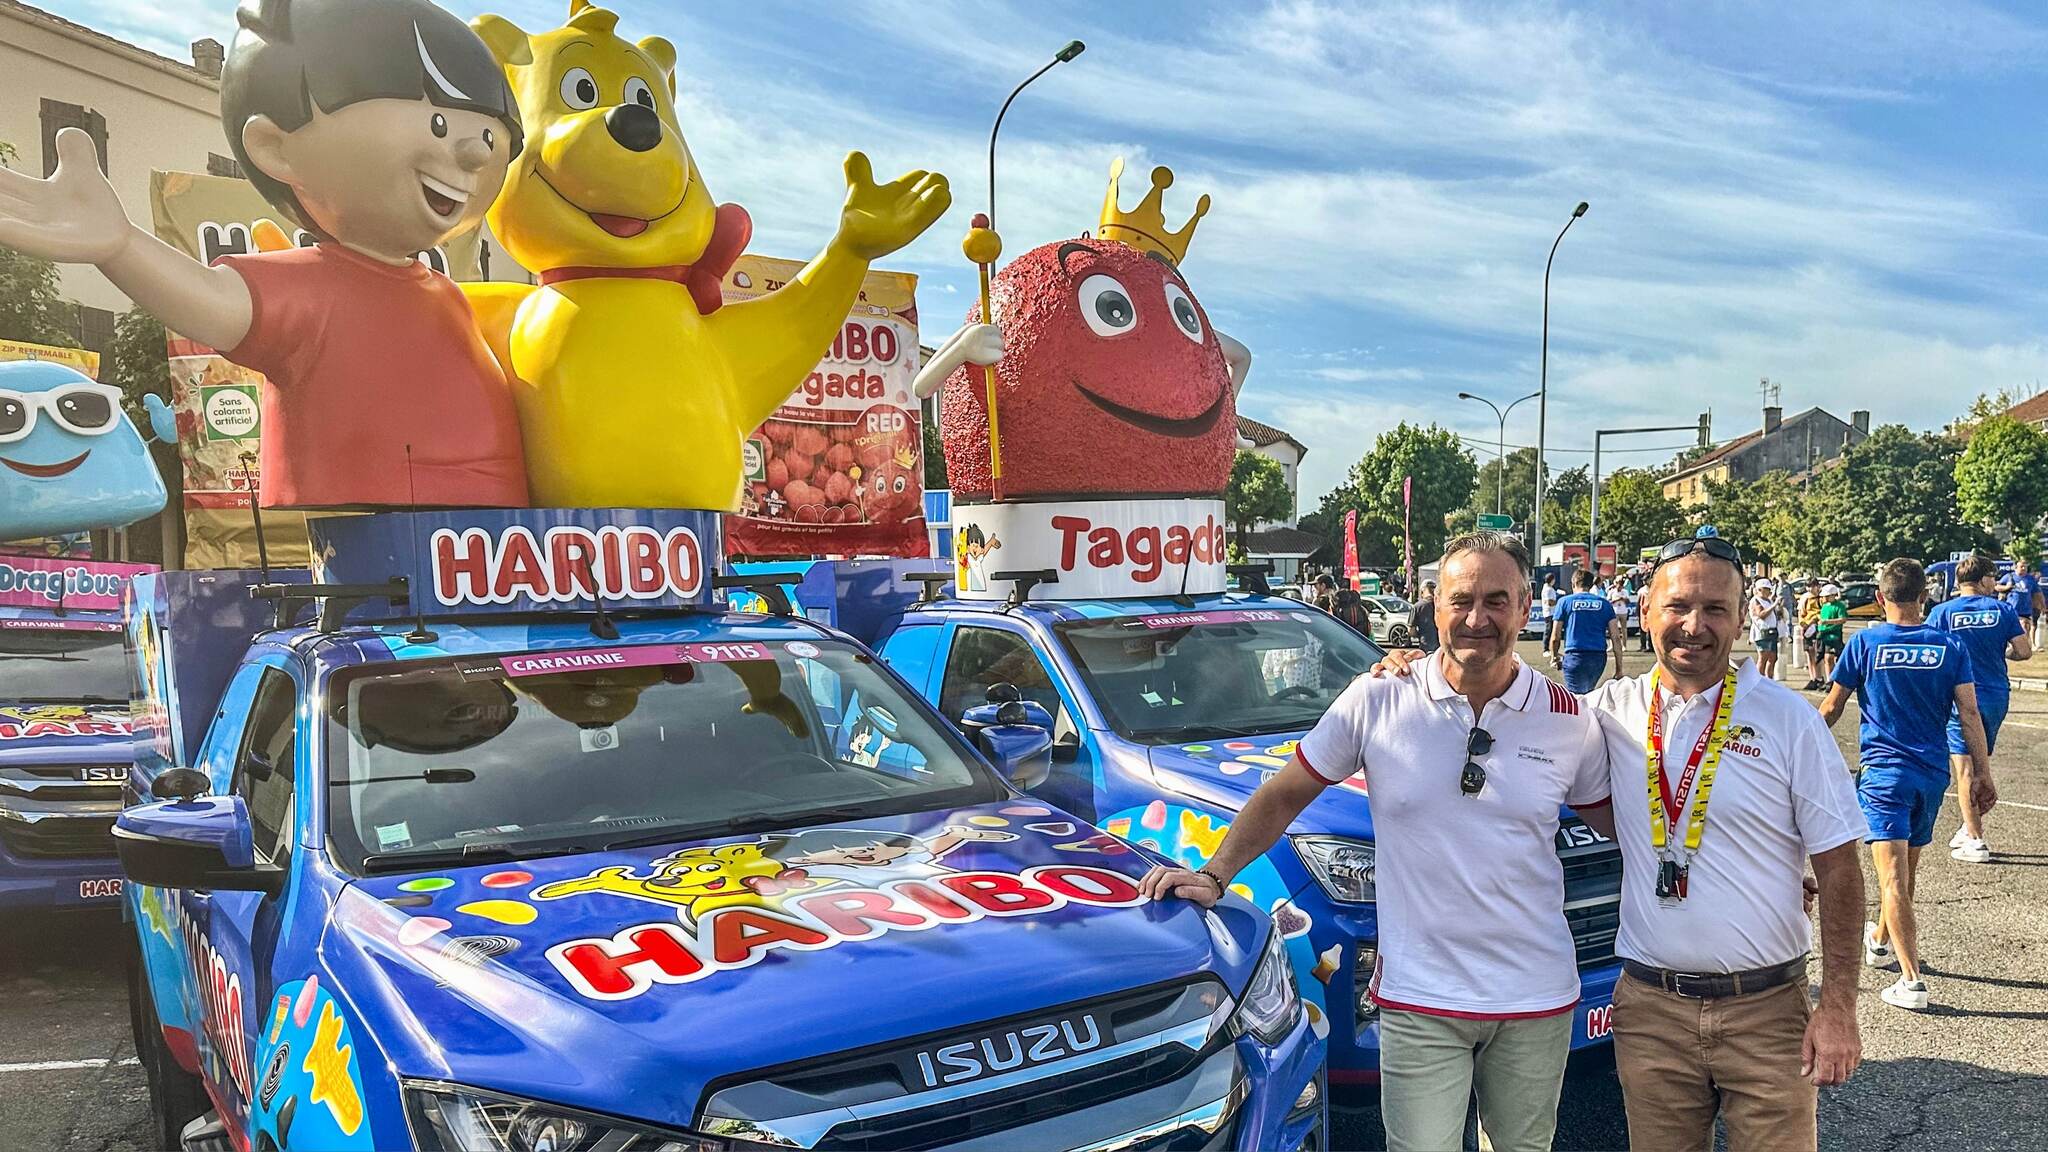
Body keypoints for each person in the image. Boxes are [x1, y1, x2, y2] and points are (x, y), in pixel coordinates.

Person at [1372, 530, 1865, 1152]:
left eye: (1715, 609)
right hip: (1651, 1009)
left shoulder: (1788, 719)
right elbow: (1509, 693)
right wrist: (1407, 670)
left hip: (1765, 1008)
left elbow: (1842, 869)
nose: (1694, 625)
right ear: (1644, 613)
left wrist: (1840, 1006)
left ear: (1743, 618)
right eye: (1677, 607)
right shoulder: (1603, 712)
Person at [1139, 532, 1609, 1152]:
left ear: (1526, 609)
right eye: (1462, 600)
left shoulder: (1568, 717)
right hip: (1421, 997)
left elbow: (1617, 825)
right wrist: (1217, 872)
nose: (1478, 619)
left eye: (1498, 601)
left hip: (1536, 994)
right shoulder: (1380, 696)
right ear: (1434, 607)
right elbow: (1285, 793)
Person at [0, 0, 531, 508]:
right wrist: (120, 246)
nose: (476, 151)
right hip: (370, 517)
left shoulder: (445, 295)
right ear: (275, 147)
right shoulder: (313, 287)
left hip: (501, 532)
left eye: (487, 131)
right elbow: (214, 303)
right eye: (439, 124)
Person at [1820, 558, 1995, 1011]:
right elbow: (1969, 713)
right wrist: (1982, 771)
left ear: (1880, 598)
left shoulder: (1865, 643)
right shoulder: (1949, 646)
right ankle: (1880, 941)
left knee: (1893, 878)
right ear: (1924, 598)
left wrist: (1796, 750)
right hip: (1932, 774)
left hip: (1883, 776)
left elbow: (1832, 708)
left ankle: (1912, 979)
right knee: (1905, 873)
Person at [1928, 554, 2033, 863]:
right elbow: (2024, 651)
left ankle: (1975, 839)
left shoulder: (1941, 612)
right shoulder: (2003, 610)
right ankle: (1968, 822)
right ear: (1985, 579)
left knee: (1965, 767)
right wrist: (2002, 653)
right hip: (1996, 695)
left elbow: (1931, 652)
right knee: (1979, 757)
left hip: (1958, 696)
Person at [1550, 569, 1625, 694]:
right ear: (1591, 585)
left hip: (1575, 656)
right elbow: (1616, 637)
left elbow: (1555, 636)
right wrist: (1619, 669)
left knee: (1576, 699)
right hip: (1598, 657)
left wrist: (1554, 656)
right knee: (1589, 693)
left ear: (1573, 583)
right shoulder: (1605, 604)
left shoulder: (1564, 602)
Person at [1996, 556, 2044, 648]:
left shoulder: (2030, 579)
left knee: (2025, 628)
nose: (2024, 568)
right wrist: (2007, 587)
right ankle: (2010, 645)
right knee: (2009, 629)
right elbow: (1996, 587)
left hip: (2025, 609)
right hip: (2011, 608)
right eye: (2021, 566)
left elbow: (2037, 593)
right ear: (2016, 568)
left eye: (2025, 567)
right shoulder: (2009, 577)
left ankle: (2021, 646)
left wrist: (2042, 605)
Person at [1749, 578, 1787, 681]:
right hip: (1762, 632)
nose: (1768, 592)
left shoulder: (1769, 600)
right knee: (1763, 657)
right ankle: (1758, 680)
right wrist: (1774, 605)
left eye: (1769, 589)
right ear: (1759, 589)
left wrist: (1779, 606)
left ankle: (1769, 680)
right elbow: (1762, 614)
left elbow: (1775, 614)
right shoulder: (1756, 600)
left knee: (1773, 657)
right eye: (1765, 589)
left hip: (1772, 631)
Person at [1810, 585, 1846, 689]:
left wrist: (1828, 622)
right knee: (1822, 659)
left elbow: (1843, 619)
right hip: (1823, 636)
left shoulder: (1839, 606)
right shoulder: (1824, 607)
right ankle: (1827, 680)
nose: (1823, 598)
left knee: (1830, 657)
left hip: (1834, 636)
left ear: (1832, 595)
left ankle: (1833, 680)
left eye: (1826, 596)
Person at [1409, 580, 1441, 652]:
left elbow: (1411, 631)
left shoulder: (1417, 606)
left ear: (1422, 592)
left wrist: (1420, 635)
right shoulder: (1442, 605)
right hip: (1441, 646)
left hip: (1425, 646)